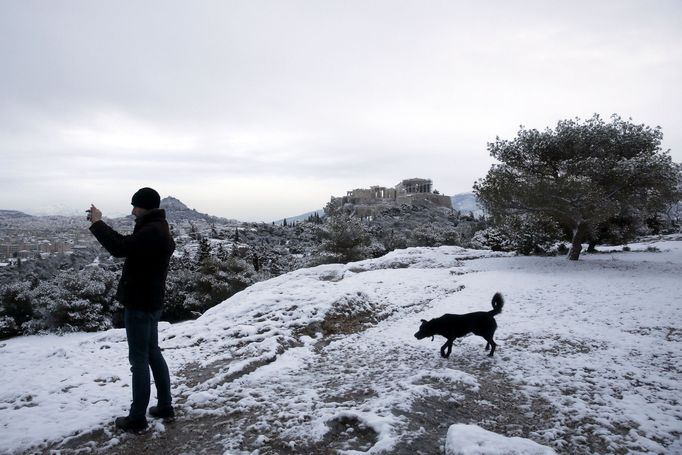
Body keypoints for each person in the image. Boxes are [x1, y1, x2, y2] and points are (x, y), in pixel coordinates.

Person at [88, 187, 176, 432]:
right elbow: (127, 245)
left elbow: (119, 248)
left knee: (139, 359)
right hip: (152, 301)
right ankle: (165, 406)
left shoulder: (151, 230)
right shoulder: (159, 228)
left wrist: (97, 223)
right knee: (152, 352)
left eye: (135, 206)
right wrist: (100, 223)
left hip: (140, 303)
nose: (132, 210)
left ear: (144, 206)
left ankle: (137, 418)